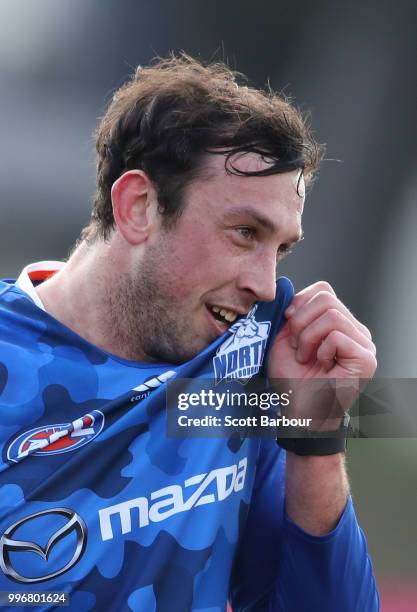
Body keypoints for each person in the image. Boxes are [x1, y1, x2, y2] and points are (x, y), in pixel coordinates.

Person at [0, 54, 379, 611]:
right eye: (245, 232)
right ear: (139, 207)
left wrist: (315, 432)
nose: (268, 286)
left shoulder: (255, 355)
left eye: (282, 247)